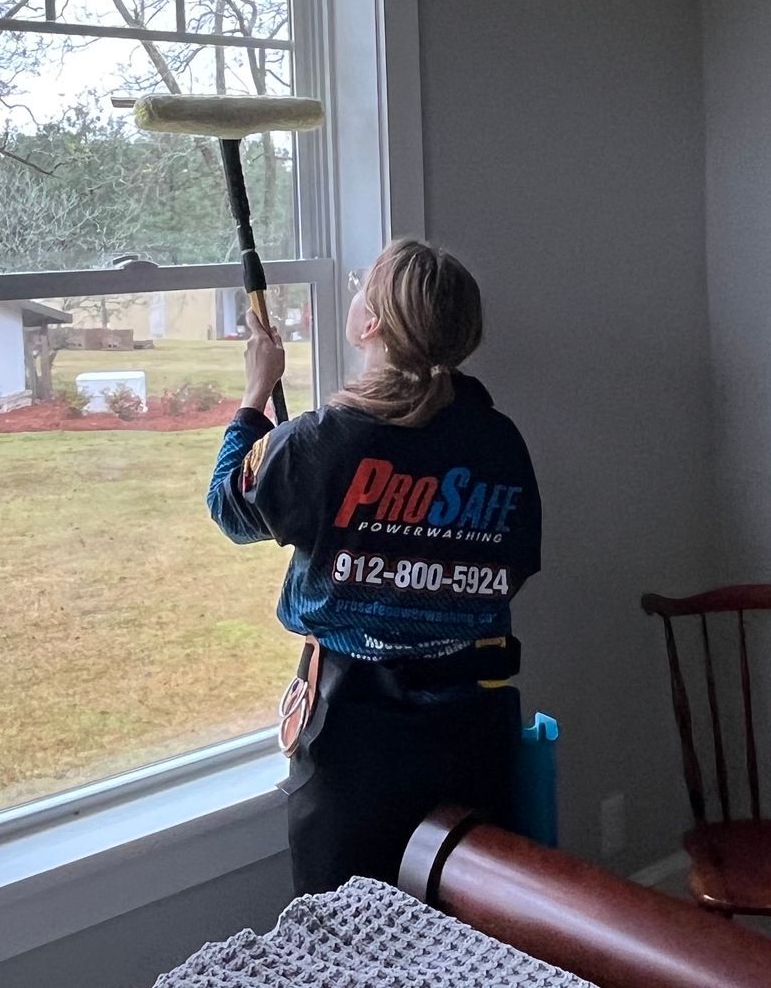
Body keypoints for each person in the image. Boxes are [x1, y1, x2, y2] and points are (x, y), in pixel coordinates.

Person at [206, 238, 543, 894]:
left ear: (371, 325)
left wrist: (256, 395)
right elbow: (516, 565)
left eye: (364, 283)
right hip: (472, 728)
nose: (354, 290)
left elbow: (229, 505)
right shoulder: (499, 442)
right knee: (468, 928)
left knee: (346, 936)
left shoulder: (323, 443)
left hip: (349, 738)